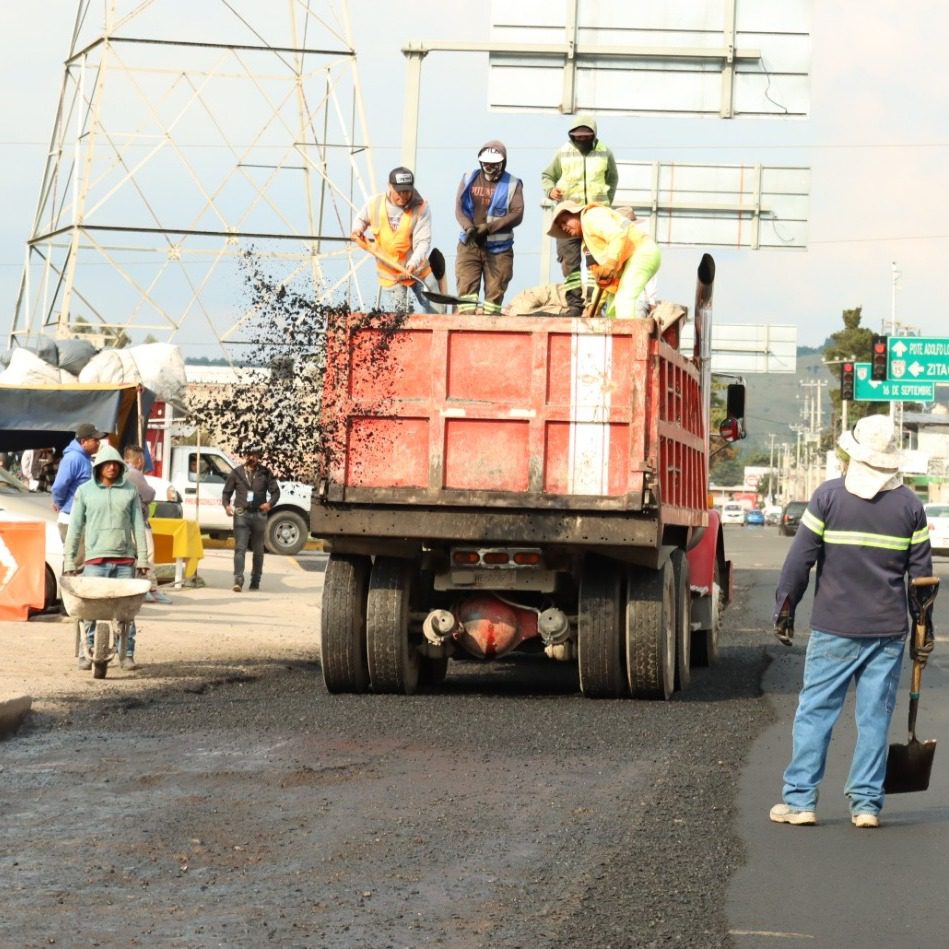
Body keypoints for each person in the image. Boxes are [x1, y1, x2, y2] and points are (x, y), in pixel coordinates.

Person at [769, 414, 934, 829]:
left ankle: (801, 802)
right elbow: (923, 580)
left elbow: (800, 561)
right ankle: (866, 805)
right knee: (875, 717)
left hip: (834, 629)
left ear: (854, 453)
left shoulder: (828, 498)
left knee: (816, 713)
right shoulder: (910, 507)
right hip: (888, 632)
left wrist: (785, 607)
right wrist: (923, 631)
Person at [63, 444, 149, 672]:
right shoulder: (85, 491)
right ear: (98, 467)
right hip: (95, 562)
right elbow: (75, 528)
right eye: (106, 464)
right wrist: (69, 561)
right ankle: (86, 651)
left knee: (126, 614)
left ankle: (127, 653)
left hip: (124, 562)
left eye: (115, 464)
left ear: (121, 466)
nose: (111, 468)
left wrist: (142, 560)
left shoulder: (130, 490)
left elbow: (138, 527)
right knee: (89, 611)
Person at [541, 114, 619, 316]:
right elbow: (547, 176)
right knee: (569, 262)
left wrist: (605, 203)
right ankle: (575, 305)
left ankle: (595, 304)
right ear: (572, 135)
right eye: (578, 136)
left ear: (593, 135)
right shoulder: (563, 152)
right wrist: (550, 191)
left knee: (596, 261)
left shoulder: (604, 153)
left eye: (586, 136)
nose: (582, 139)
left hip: (594, 216)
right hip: (569, 217)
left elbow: (613, 179)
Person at [547, 201, 661, 319]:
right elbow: (603, 280)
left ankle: (631, 335)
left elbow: (617, 236)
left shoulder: (591, 216)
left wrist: (610, 264)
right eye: (561, 226)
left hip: (641, 253)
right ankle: (620, 336)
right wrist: (594, 307)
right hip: (628, 263)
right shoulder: (588, 242)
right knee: (612, 310)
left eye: (564, 221)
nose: (564, 227)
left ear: (575, 213)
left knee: (624, 301)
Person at [351, 166, 440, 314]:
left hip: (417, 270)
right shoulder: (375, 204)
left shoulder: (421, 208)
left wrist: (412, 265)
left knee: (437, 309)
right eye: (399, 192)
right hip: (390, 274)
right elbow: (361, 219)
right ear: (389, 186)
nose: (403, 196)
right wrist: (357, 229)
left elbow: (423, 242)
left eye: (407, 191)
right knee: (400, 317)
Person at [454, 140, 524, 315]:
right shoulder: (469, 178)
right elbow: (459, 208)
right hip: (469, 246)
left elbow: (517, 213)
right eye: (486, 164)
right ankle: (465, 328)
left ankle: (489, 329)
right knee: (466, 295)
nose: (490, 168)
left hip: (499, 251)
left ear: (502, 163)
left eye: (494, 165)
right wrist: (469, 227)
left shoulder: (513, 184)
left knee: (493, 298)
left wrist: (490, 227)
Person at [222, 444, 280, 593]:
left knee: (258, 550)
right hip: (241, 514)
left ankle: (256, 580)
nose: (251, 458)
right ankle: (238, 580)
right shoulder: (237, 472)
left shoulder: (265, 473)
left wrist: (270, 504)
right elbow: (226, 493)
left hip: (259, 515)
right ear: (244, 456)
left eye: (254, 455)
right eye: (249, 455)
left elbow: (276, 492)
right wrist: (227, 506)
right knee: (240, 548)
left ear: (259, 457)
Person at [123, 445, 172, 605]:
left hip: (125, 521)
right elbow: (149, 494)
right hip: (139, 520)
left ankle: (142, 588)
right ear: (139, 460)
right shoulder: (134, 473)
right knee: (147, 554)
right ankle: (149, 588)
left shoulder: (121, 472)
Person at [52, 423, 107, 540]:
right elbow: (59, 486)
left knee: (76, 557)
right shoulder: (73, 458)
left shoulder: (84, 458)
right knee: (77, 557)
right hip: (71, 519)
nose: (99, 443)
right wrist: (59, 503)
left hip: (81, 519)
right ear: (83, 442)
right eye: (95, 440)